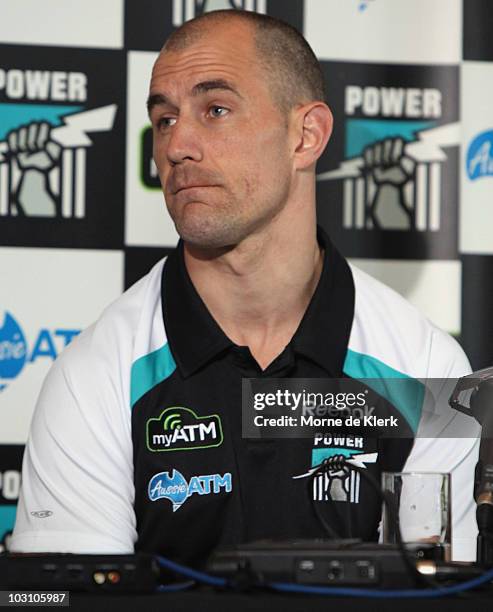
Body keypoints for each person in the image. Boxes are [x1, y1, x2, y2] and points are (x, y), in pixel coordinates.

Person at [11, 10, 479, 564]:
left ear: (306, 135)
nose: (176, 144)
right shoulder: (95, 375)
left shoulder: (427, 368)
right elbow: (59, 600)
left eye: (215, 110)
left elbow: (440, 596)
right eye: (164, 119)